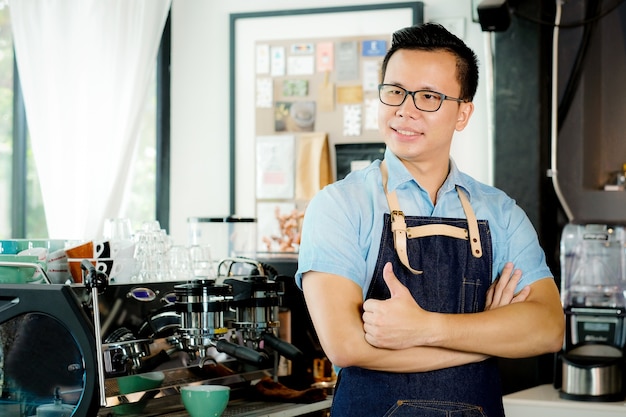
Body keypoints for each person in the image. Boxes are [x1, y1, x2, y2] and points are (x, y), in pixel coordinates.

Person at [295, 23, 564, 417]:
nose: (405, 109)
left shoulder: (500, 212)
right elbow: (347, 346)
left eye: (428, 97)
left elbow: (548, 328)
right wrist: (486, 336)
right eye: (395, 91)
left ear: (463, 113)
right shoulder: (340, 205)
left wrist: (424, 328)